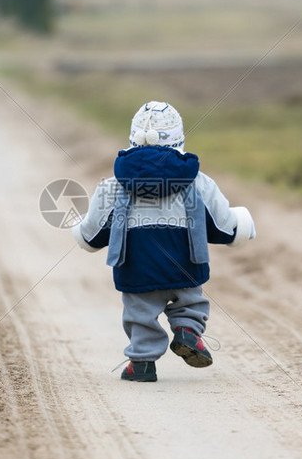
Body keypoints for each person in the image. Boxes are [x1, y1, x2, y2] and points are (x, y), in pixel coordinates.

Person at [72, 101, 256, 382]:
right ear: (180, 139)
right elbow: (225, 226)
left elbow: (92, 234)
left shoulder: (112, 186)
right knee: (191, 302)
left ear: (132, 138)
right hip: (185, 264)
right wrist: (242, 225)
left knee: (140, 313)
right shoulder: (199, 182)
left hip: (137, 266)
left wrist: (81, 233)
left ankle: (142, 364)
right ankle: (187, 331)